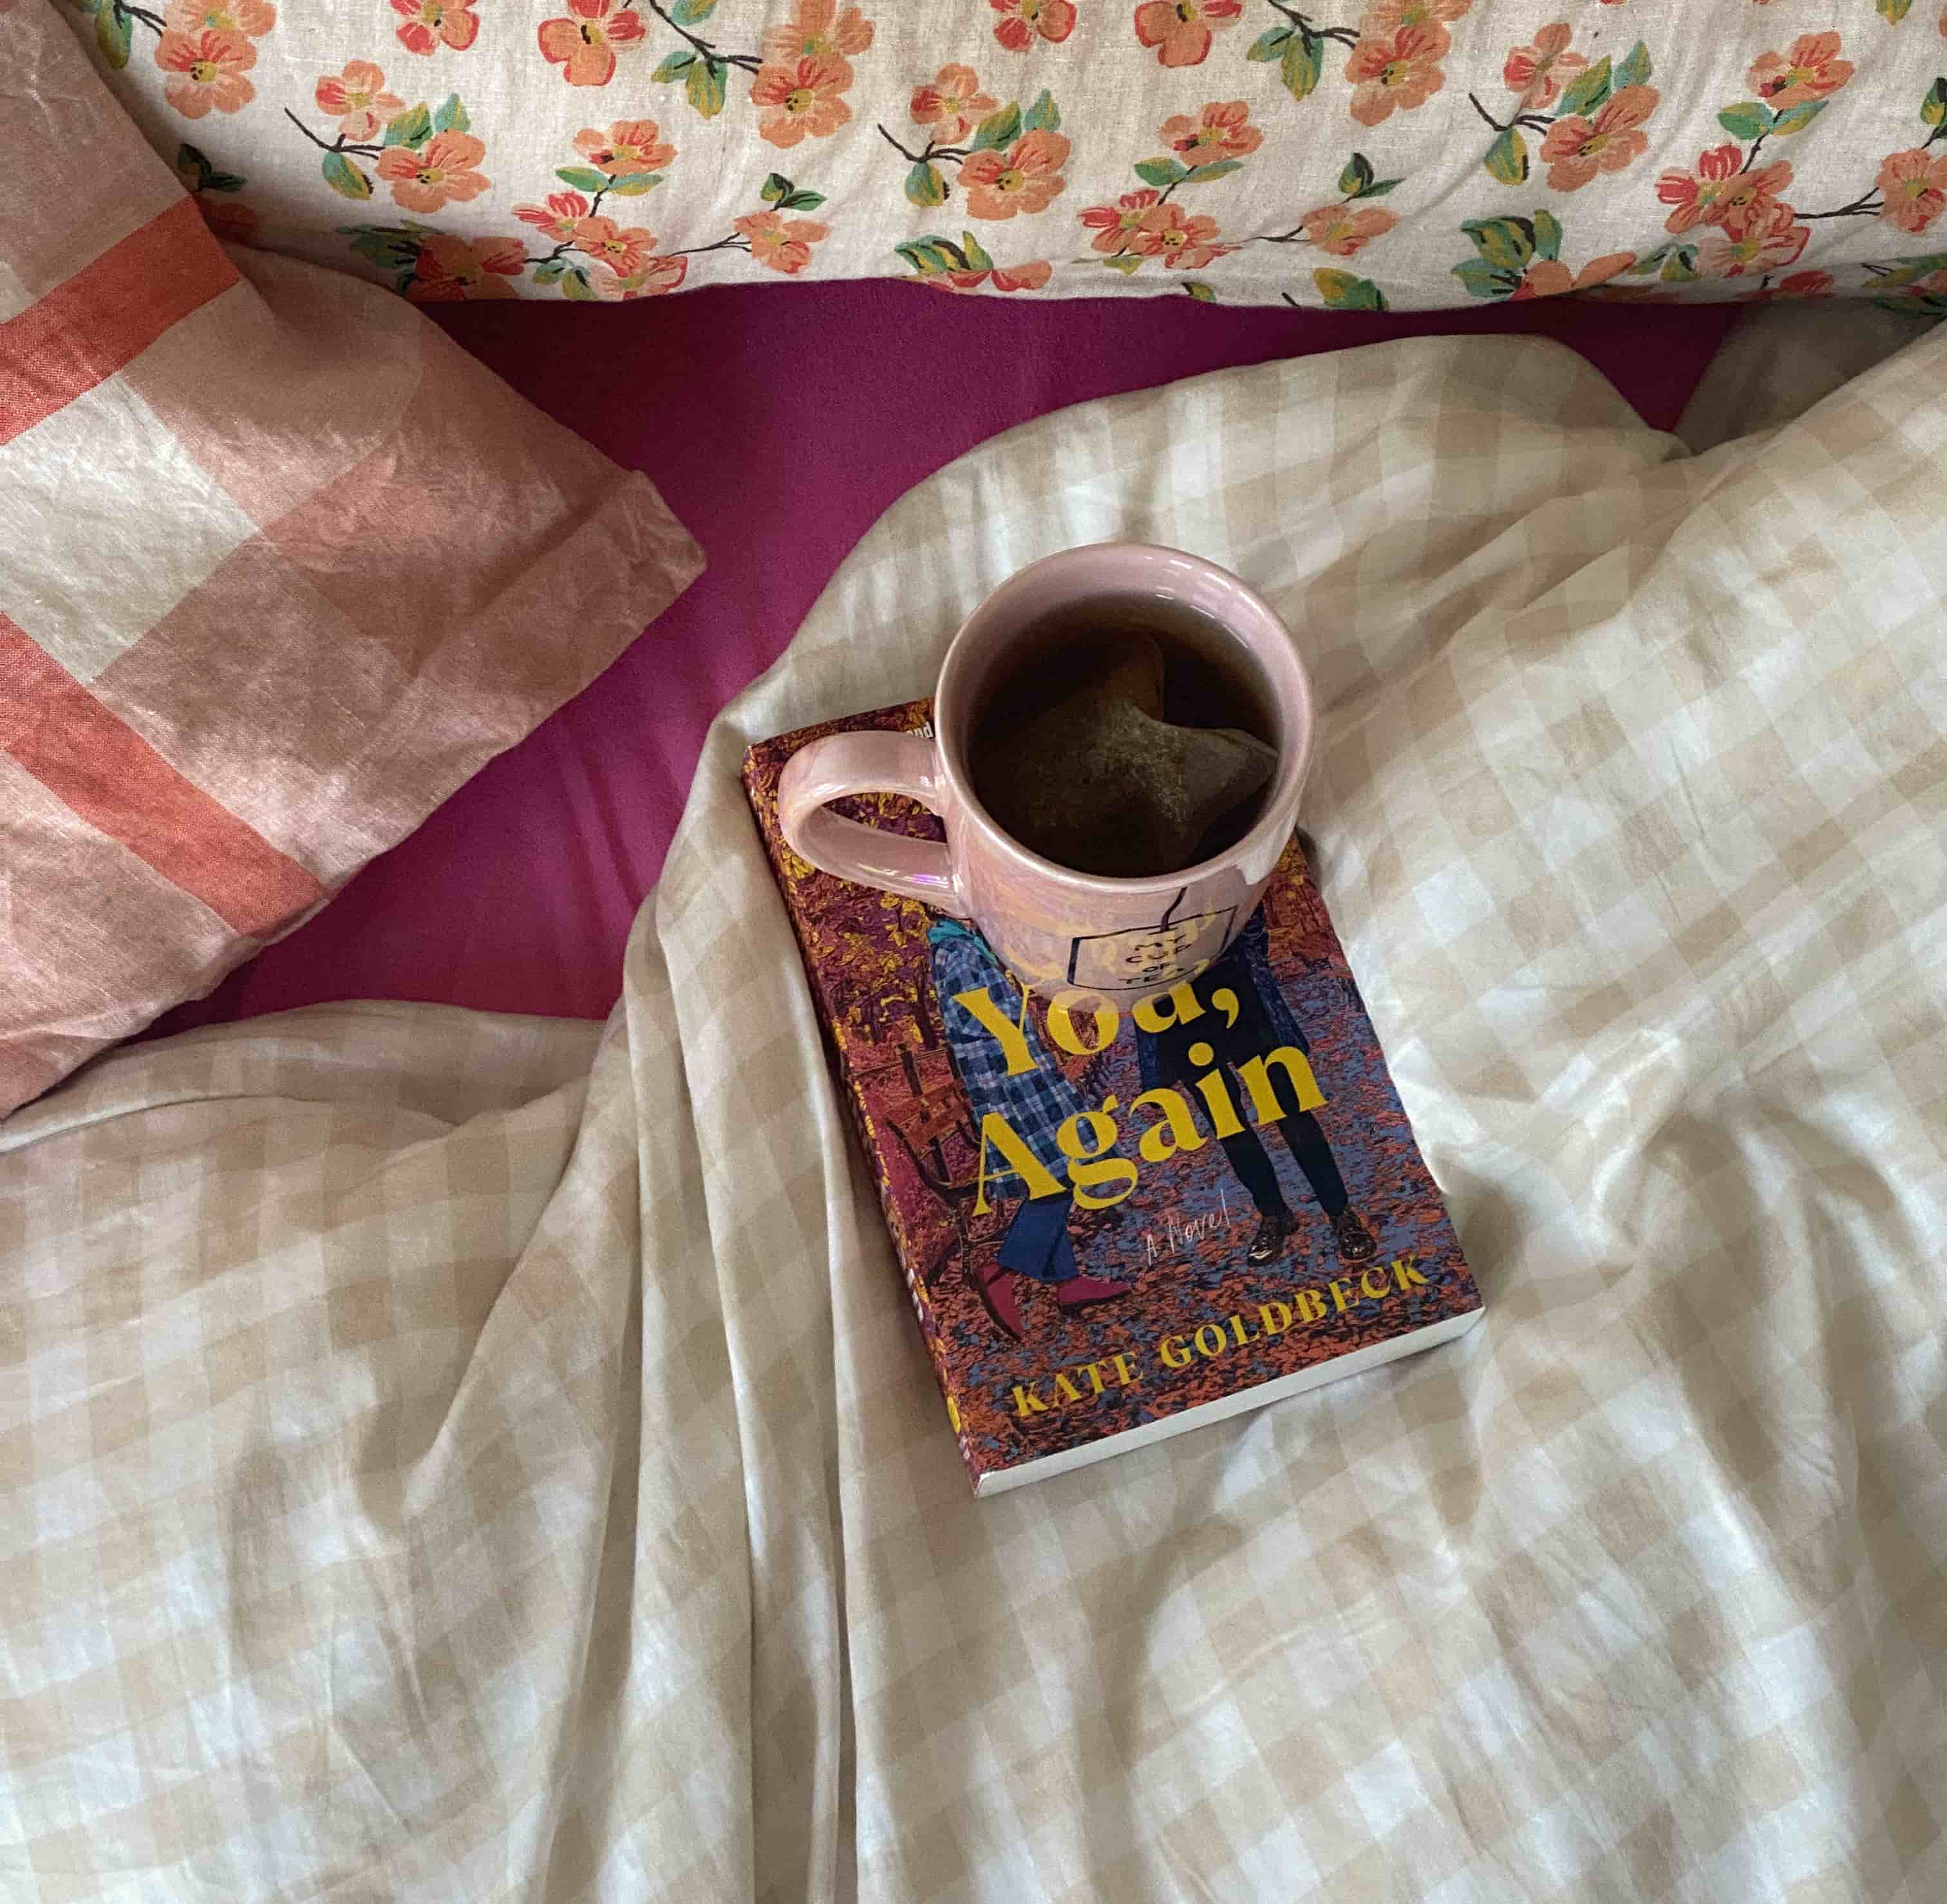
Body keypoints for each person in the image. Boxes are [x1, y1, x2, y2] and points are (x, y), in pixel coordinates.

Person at [1136, 910, 1377, 1274]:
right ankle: (1274, 1214)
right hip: (1170, 1011)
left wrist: (1244, 959)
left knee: (1290, 1110)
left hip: (1231, 986)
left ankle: (1340, 1212)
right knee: (1228, 1127)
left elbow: (1246, 908)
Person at [927, 918, 1131, 1340]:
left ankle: (1068, 1283)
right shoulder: (959, 956)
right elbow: (977, 1047)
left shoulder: (970, 945)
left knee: (1056, 1177)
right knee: (1061, 1176)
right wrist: (1000, 1111)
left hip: (1028, 1084)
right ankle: (1001, 1270)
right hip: (1017, 1093)